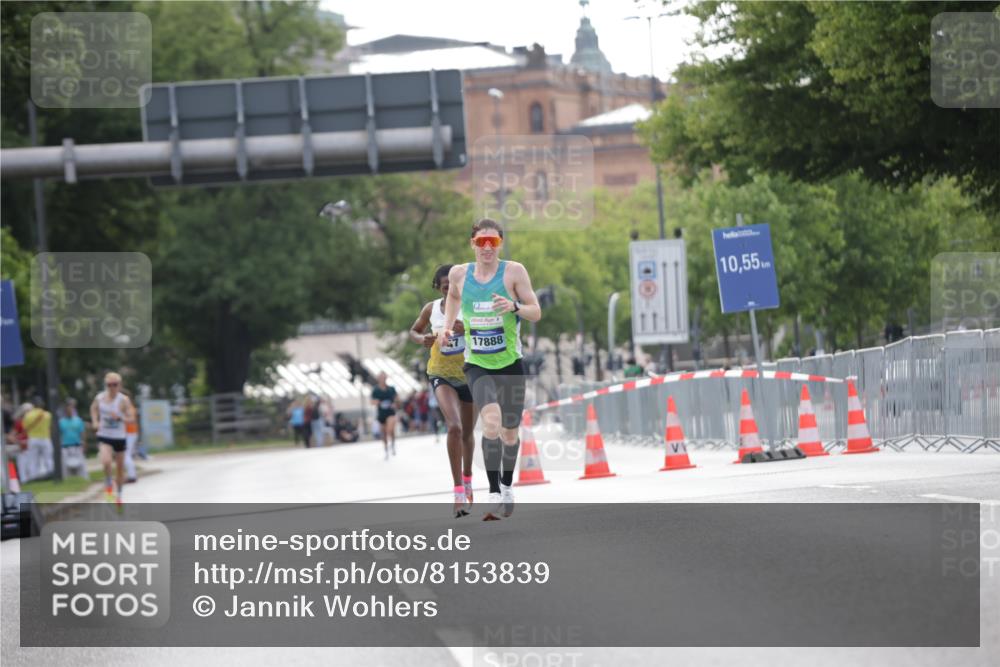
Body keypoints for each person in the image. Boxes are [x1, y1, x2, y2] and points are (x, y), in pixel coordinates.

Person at [440, 219, 542, 520]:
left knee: (510, 432)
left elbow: (536, 312)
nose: (487, 247)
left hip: (510, 363)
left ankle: (508, 485)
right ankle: (494, 490)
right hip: (477, 363)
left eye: (493, 242)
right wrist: (447, 328)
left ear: (500, 244)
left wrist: (513, 307)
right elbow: (453, 298)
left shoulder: (514, 272)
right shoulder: (459, 274)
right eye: (481, 241)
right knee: (491, 423)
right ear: (472, 243)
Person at [410, 264, 478, 517]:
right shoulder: (431, 309)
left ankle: (469, 477)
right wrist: (422, 339)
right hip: (441, 373)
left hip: (470, 373)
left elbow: (493, 330)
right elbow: (414, 331)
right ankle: (458, 491)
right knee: (455, 427)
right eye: (446, 287)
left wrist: (468, 328)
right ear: (438, 288)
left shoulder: (471, 306)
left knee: (468, 434)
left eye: (455, 286)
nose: (451, 291)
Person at [90, 372, 136, 509]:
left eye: (115, 385)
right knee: (106, 461)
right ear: (105, 385)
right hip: (105, 435)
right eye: (109, 385)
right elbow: (93, 408)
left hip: (119, 437)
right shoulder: (100, 398)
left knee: (120, 470)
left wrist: (120, 417)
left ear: (119, 385)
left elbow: (131, 419)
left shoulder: (123, 400)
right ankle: (109, 484)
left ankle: (119, 496)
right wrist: (95, 421)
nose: (112, 387)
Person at [22, 397, 54, 481]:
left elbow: (25, 428)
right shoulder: (47, 414)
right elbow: (50, 427)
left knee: (33, 460)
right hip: (45, 438)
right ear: (41, 404)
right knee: (48, 458)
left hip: (33, 439)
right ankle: (51, 474)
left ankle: (33, 477)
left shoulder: (28, 415)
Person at [371, 373, 398, 460]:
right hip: (381, 413)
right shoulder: (375, 390)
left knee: (390, 430)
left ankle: (393, 444)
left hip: (390, 412)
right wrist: (377, 402)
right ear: (378, 379)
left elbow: (397, 399)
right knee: (384, 433)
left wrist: (395, 403)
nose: (383, 379)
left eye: (384, 377)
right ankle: (386, 450)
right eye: (381, 377)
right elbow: (372, 401)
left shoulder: (391, 389)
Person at [58, 399, 88, 479]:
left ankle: (84, 479)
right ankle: (66, 479)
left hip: (77, 445)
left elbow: (82, 433)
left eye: (71, 409)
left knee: (81, 465)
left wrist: (84, 443)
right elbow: (59, 435)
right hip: (65, 446)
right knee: (65, 467)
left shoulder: (78, 420)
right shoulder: (61, 422)